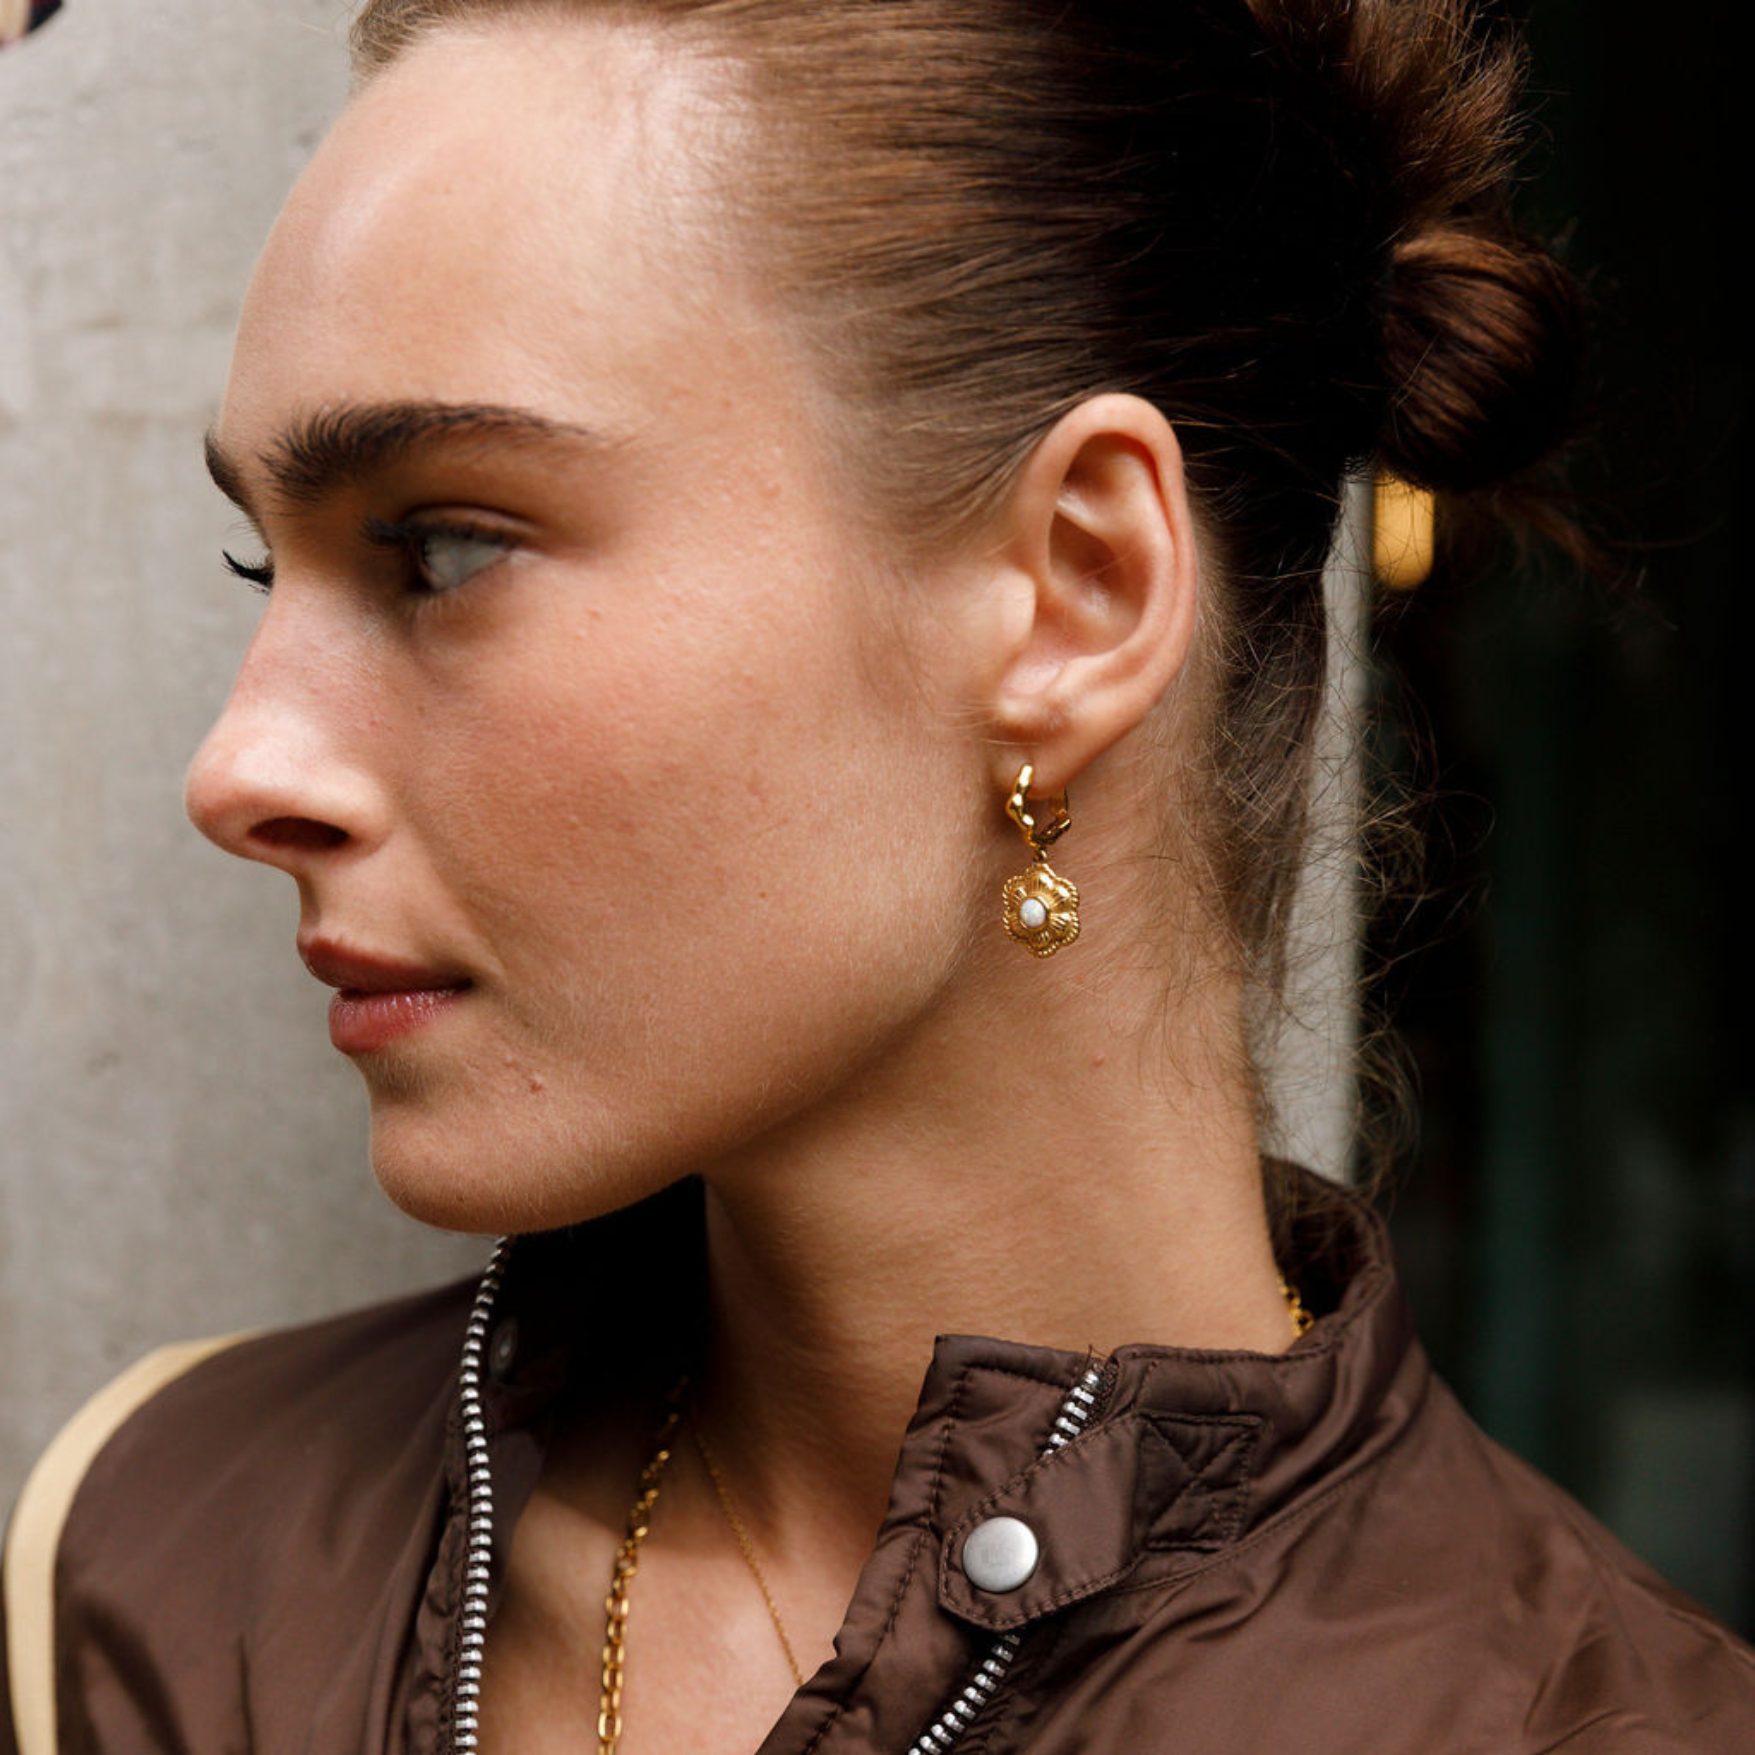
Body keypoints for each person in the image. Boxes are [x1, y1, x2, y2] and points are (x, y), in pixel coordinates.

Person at [3, 1, 1752, 1750]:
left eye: (448, 547)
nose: (240, 770)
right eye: (265, 568)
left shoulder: (1594, 1723)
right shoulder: (157, 1556)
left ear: (1073, 591)